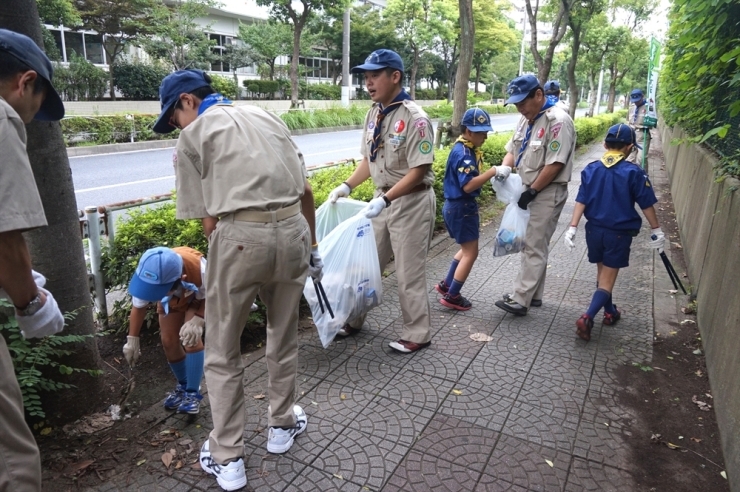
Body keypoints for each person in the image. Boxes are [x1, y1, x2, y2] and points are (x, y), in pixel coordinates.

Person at [152, 69, 323, 491]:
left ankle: (228, 457)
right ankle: (281, 426)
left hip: (240, 238)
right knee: (282, 333)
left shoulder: (193, 137)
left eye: (174, 116)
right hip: (294, 230)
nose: (176, 125)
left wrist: (228, 255)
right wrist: (312, 245)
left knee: (222, 349)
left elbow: (209, 218)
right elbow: (305, 189)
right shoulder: (266, 116)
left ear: (187, 101)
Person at [328, 49, 436, 353]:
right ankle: (352, 319)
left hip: (411, 202)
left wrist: (386, 199)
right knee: (364, 265)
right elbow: (369, 159)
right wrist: (347, 186)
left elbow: (420, 170)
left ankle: (418, 332)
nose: (368, 82)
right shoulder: (374, 113)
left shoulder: (415, 119)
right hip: (382, 201)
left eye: (374, 75)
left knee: (408, 271)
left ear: (395, 76)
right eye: (366, 76)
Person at [0, 28, 66, 492]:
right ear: (25, 82)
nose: (33, 116)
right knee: (12, 461)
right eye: (37, 104)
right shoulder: (2, 117)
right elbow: (5, 240)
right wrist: (32, 305)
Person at [563, 124, 665, 340]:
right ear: (629, 147)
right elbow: (646, 204)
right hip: (618, 234)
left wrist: (572, 227)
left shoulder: (591, 169)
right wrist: (657, 230)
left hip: (594, 232)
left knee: (602, 275)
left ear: (604, 145)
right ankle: (587, 317)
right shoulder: (634, 173)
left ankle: (610, 312)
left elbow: (581, 200)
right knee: (607, 281)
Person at [494, 74, 576, 316]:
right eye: (516, 104)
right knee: (536, 244)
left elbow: (555, 164)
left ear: (538, 95)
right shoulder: (527, 118)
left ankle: (520, 299)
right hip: (528, 188)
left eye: (522, 102)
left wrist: (532, 191)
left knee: (533, 244)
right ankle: (534, 295)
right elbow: (513, 149)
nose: (520, 108)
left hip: (547, 191)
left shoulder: (557, 121)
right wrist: (504, 170)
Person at [436, 108, 510, 310]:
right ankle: (453, 295)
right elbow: (468, 185)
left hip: (456, 207)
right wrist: (493, 171)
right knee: (471, 253)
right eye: (481, 132)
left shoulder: (462, 148)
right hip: (462, 207)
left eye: (486, 131)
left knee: (465, 250)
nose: (485, 136)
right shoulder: (465, 154)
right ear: (468, 131)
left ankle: (447, 285)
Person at [123, 246, 208, 414]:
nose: (149, 293)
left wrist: (199, 319)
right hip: (170, 298)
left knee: (190, 338)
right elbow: (139, 307)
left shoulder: (201, 270)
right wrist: (132, 339)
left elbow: (215, 293)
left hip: (199, 298)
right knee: (168, 340)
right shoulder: (150, 273)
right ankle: (183, 386)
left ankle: (192, 393)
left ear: (179, 278)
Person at [627, 88, 649, 166]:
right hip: (632, 134)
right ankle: (630, 177)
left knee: (642, 160)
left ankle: (643, 176)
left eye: (638, 100)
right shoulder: (632, 107)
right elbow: (629, 121)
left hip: (642, 134)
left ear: (642, 96)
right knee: (629, 159)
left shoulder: (648, 107)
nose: (636, 102)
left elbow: (653, 123)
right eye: (634, 100)